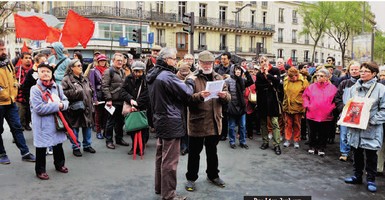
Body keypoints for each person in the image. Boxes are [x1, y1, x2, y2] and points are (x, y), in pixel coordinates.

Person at [146, 47, 193, 200]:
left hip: (160, 119)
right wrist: (191, 81)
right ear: (166, 60)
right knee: (170, 161)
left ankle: (160, 188)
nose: (176, 60)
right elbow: (187, 92)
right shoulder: (167, 75)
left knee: (161, 156)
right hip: (171, 120)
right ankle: (169, 195)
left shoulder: (155, 74)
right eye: (174, 58)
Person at [184, 50, 230, 192]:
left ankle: (213, 175)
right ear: (199, 63)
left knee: (212, 151)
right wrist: (199, 96)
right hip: (197, 121)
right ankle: (191, 178)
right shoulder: (191, 78)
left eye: (210, 63)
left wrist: (224, 96)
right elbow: (186, 99)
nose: (207, 65)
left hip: (215, 121)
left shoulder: (218, 77)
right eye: (204, 63)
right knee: (194, 153)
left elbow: (228, 98)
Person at [344, 61, 385, 193]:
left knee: (371, 155)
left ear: (374, 74)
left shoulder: (381, 89)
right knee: (356, 153)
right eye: (361, 71)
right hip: (355, 127)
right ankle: (357, 176)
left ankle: (371, 179)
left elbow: (384, 109)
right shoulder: (354, 87)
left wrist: (372, 120)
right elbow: (347, 104)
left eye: (366, 71)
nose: (362, 73)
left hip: (371, 128)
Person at [30, 62, 69, 180]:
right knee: (41, 148)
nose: (45, 74)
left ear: (52, 74)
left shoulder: (57, 87)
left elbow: (66, 101)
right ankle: (40, 170)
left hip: (56, 122)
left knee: (58, 144)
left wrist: (63, 105)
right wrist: (58, 106)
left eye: (48, 71)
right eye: (42, 71)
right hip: (42, 123)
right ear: (38, 73)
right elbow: (39, 108)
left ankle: (59, 164)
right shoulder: (35, 89)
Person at [0, 39, 36, 165]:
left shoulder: (8, 64)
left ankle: (25, 153)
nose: (4, 52)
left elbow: (13, 78)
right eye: (1, 50)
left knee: (17, 127)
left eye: (4, 49)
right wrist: (3, 92)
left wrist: (15, 86)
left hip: (11, 102)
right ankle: (2, 154)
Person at [61, 59, 96, 157]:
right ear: (72, 68)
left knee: (87, 126)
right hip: (75, 108)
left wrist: (91, 92)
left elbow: (90, 89)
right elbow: (62, 93)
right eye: (78, 65)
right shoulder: (66, 79)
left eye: (81, 65)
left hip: (87, 107)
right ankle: (76, 147)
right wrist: (76, 92)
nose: (81, 67)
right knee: (75, 127)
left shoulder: (84, 78)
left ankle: (87, 145)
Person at [302, 68, 337, 156]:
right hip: (312, 113)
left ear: (327, 77)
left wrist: (331, 107)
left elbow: (336, 100)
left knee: (323, 132)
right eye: (317, 76)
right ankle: (312, 146)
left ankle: (321, 147)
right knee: (312, 131)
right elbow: (305, 97)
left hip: (326, 115)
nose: (319, 77)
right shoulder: (311, 87)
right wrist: (307, 105)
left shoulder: (333, 88)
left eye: (321, 76)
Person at [120, 61, 150, 155]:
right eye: (135, 71)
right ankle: (134, 147)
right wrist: (131, 100)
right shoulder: (128, 78)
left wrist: (137, 104)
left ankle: (142, 147)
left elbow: (147, 94)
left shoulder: (146, 80)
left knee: (143, 127)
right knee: (133, 127)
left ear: (143, 71)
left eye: (139, 71)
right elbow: (123, 91)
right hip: (131, 105)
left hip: (143, 107)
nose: (137, 73)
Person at [334, 61, 360, 162]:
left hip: (358, 114)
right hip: (345, 113)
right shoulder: (344, 83)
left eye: (356, 69)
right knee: (344, 133)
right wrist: (342, 108)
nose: (354, 71)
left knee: (356, 134)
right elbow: (337, 97)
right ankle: (344, 152)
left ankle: (355, 153)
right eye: (352, 69)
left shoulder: (363, 83)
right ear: (349, 71)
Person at [102, 53, 129, 149]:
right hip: (112, 101)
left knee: (120, 122)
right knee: (110, 122)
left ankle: (119, 138)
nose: (120, 62)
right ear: (113, 61)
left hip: (121, 101)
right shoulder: (108, 71)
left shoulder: (122, 71)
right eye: (118, 60)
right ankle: (109, 141)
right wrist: (108, 99)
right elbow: (105, 86)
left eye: (121, 60)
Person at [256, 56, 282, 155]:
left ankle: (276, 144)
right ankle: (265, 141)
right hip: (262, 100)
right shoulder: (258, 74)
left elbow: (278, 83)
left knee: (274, 122)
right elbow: (258, 85)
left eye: (265, 61)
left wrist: (268, 74)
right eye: (261, 62)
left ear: (268, 61)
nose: (264, 63)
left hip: (272, 100)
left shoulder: (275, 70)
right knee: (263, 123)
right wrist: (270, 84)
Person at [226, 65, 254, 149]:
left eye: (239, 70)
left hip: (241, 105)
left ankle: (243, 142)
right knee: (231, 126)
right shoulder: (228, 80)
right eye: (236, 70)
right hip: (232, 105)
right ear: (233, 71)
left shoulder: (242, 80)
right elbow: (225, 91)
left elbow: (251, 81)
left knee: (242, 125)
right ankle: (232, 141)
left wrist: (245, 71)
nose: (238, 71)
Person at [282, 67, 309, 149]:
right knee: (288, 123)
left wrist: (304, 105)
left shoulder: (303, 81)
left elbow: (307, 94)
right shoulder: (286, 80)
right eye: (289, 77)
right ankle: (287, 139)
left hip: (298, 106)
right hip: (288, 105)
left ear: (296, 75)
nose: (291, 79)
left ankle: (296, 140)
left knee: (297, 124)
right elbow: (285, 92)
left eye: (292, 77)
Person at [214, 52, 234, 141]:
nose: (222, 60)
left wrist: (230, 76)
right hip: (219, 92)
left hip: (230, 93)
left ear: (229, 59)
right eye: (222, 58)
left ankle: (224, 134)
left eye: (224, 59)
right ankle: (219, 132)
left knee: (226, 115)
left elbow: (238, 77)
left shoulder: (233, 68)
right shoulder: (218, 68)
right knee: (219, 113)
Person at [89, 54, 109, 140]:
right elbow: (92, 85)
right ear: (98, 61)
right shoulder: (93, 71)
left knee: (106, 114)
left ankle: (105, 130)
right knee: (98, 114)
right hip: (98, 94)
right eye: (101, 61)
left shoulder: (108, 70)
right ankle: (98, 131)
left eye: (104, 61)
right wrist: (94, 98)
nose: (102, 62)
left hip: (106, 94)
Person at [176, 62, 193, 156]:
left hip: (190, 104)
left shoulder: (192, 76)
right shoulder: (175, 77)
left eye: (186, 73)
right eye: (182, 73)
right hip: (180, 105)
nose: (184, 75)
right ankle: (183, 145)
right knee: (182, 125)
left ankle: (189, 145)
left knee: (189, 126)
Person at [15, 52, 33, 131]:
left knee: (28, 114)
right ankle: (17, 134)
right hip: (20, 97)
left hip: (30, 96)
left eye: (29, 58)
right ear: (21, 60)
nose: (28, 60)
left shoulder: (34, 70)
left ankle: (26, 124)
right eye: (26, 58)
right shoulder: (16, 70)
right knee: (20, 115)